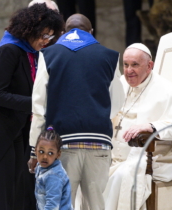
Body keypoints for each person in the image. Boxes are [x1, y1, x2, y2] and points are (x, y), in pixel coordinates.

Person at [28, 14, 125, 210]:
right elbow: (117, 102)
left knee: (60, 203)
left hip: (61, 145)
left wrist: (33, 149)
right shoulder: (109, 56)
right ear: (91, 32)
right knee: (97, 205)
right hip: (99, 142)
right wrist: (96, 114)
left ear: (64, 32)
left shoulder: (49, 55)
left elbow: (38, 107)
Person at [0, 4, 64, 210]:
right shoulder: (8, 50)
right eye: (43, 35)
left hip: (16, 128)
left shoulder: (29, 52)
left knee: (19, 194)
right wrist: (38, 104)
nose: (45, 41)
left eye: (50, 37)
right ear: (28, 30)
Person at [102, 43, 172, 210]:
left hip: (155, 157)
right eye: (126, 64)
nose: (129, 70)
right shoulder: (120, 84)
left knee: (121, 177)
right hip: (115, 155)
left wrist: (152, 126)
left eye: (135, 65)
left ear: (149, 66)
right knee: (89, 171)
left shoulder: (168, 91)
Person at [34, 126, 73, 210]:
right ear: (35, 151)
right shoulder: (40, 168)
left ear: (58, 154)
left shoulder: (54, 176)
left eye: (50, 153)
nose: (45, 156)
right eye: (41, 151)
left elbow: (52, 206)